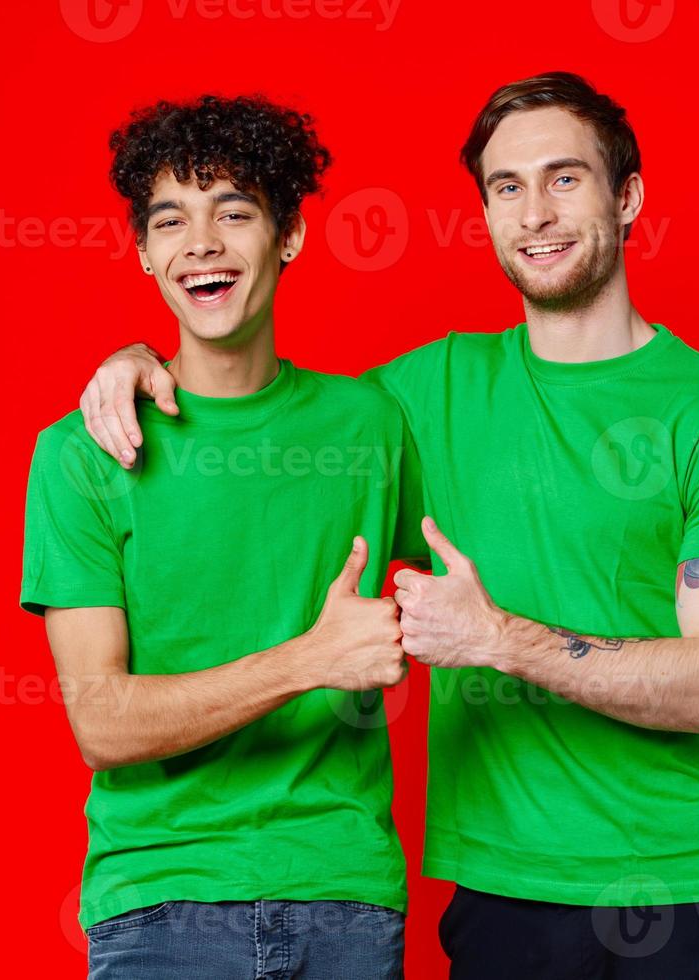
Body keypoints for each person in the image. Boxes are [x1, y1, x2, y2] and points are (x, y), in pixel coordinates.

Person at [77, 73, 699, 979]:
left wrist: (501, 640)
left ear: (629, 196)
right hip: (500, 899)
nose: (535, 212)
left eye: (565, 179)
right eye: (507, 187)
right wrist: (134, 357)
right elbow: (254, 405)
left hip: (686, 888)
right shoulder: (415, 403)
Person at [21, 95, 413, 979]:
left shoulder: (375, 422)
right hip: (161, 904)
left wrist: (695, 401)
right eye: (172, 221)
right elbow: (103, 724)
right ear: (146, 254)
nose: (201, 242)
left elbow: (538, 493)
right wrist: (311, 659)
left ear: (291, 236)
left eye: (233, 212)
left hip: (343, 897)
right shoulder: (84, 454)